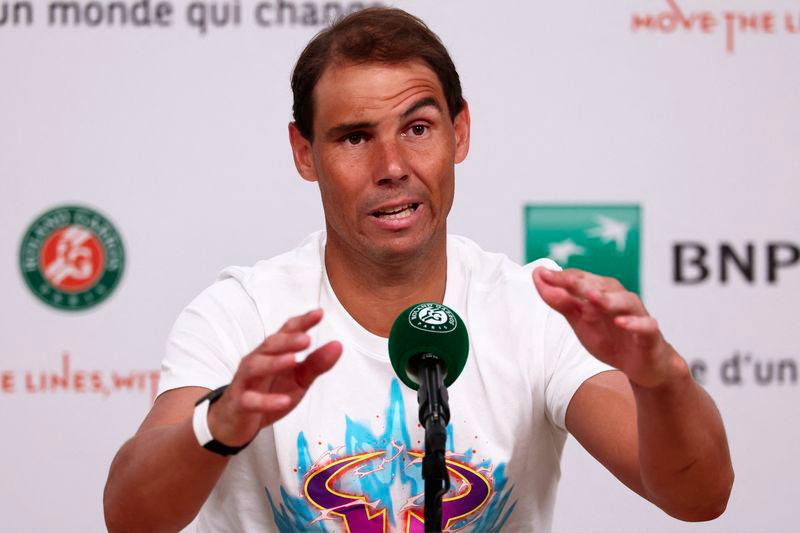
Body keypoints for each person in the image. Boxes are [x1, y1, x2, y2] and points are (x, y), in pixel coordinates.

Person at [103, 7, 733, 532]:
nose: (393, 165)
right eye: (355, 137)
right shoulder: (242, 314)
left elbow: (697, 498)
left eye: (419, 127)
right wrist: (220, 422)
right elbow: (129, 516)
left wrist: (661, 380)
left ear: (459, 133)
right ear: (304, 152)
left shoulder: (534, 307)